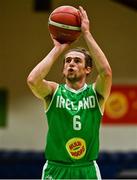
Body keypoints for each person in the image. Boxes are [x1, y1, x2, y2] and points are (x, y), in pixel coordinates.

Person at [27, 6, 112, 180]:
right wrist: (58, 49)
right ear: (63, 69)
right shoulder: (53, 91)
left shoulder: (96, 94)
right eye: (67, 61)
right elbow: (33, 80)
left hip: (86, 169)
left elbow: (106, 72)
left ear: (88, 69)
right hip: (56, 168)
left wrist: (86, 33)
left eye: (77, 61)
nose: (71, 64)